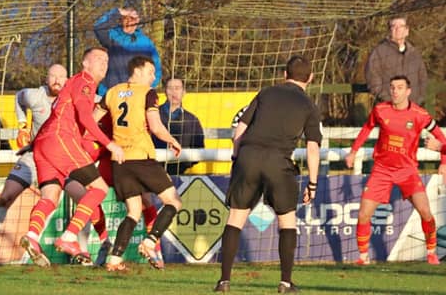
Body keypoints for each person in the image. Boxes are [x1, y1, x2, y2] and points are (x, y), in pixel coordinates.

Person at [0, 64, 108, 266]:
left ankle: (83, 251)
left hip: (64, 155)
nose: (57, 80)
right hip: (35, 155)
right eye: (53, 76)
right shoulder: (34, 95)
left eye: (62, 76)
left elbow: (103, 105)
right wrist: (23, 125)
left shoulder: (78, 94)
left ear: (68, 79)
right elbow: (18, 97)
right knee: (6, 197)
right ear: (45, 78)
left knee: (86, 199)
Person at [215, 56, 322, 294]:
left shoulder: (266, 93)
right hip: (278, 162)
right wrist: (312, 184)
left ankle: (224, 281)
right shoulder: (308, 105)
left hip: (248, 157)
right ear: (311, 78)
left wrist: (236, 160)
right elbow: (313, 148)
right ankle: (285, 282)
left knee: (235, 219)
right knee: (287, 222)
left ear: (284, 74)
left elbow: (238, 133)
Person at [20, 47, 124, 265]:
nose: (104, 64)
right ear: (85, 64)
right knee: (99, 189)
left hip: (44, 143)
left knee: (49, 197)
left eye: (106, 60)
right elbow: (86, 118)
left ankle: (31, 236)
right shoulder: (85, 81)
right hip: (61, 139)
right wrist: (110, 144)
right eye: (98, 59)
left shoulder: (76, 84)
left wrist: (34, 143)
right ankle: (68, 237)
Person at [93, 55, 182, 272]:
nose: (153, 77)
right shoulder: (148, 94)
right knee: (173, 201)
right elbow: (156, 126)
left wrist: (107, 142)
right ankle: (150, 242)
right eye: (151, 72)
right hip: (141, 158)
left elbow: (92, 120)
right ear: (139, 70)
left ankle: (114, 260)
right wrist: (172, 140)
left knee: (133, 211)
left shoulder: (111, 92)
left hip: (120, 161)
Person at [345, 75, 446, 266]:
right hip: (382, 170)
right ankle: (363, 257)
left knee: (425, 211)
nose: (395, 91)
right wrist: (353, 151)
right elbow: (366, 129)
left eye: (400, 88)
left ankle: (431, 253)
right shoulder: (380, 110)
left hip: (407, 171)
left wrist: (443, 162)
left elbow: (441, 137)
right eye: (392, 87)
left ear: (408, 91)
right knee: (364, 213)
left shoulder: (420, 114)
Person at [93, 7, 162, 96]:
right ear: (121, 19)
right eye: (127, 18)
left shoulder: (146, 42)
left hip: (136, 95)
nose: (130, 22)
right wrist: (118, 11)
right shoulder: (112, 35)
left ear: (138, 21)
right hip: (111, 93)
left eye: (133, 19)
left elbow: (157, 69)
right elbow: (98, 27)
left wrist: (146, 88)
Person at [365, 16, 428, 105]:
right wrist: (386, 98)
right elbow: (373, 78)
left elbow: (423, 78)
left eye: (401, 26)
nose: (397, 29)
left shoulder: (415, 54)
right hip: (388, 107)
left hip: (412, 107)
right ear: (389, 30)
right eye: (394, 26)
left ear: (407, 31)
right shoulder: (379, 52)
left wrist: (419, 99)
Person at [152, 78, 205, 175]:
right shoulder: (152, 115)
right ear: (165, 91)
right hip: (152, 170)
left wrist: (183, 164)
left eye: (177, 88)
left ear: (184, 92)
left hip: (180, 173)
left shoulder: (191, 120)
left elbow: (199, 148)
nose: (174, 92)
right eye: (170, 88)